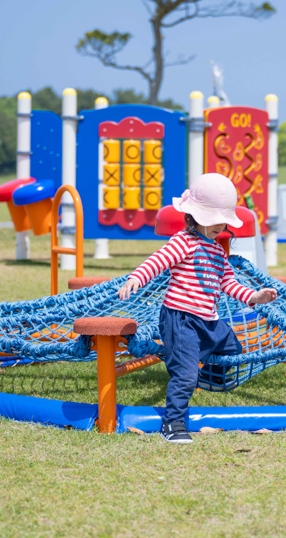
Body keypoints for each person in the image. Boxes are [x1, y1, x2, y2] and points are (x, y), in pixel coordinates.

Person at [118, 173, 277, 444]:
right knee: (184, 374)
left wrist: (255, 297)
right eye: (214, 219)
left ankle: (201, 375)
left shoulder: (216, 250)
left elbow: (228, 282)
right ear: (195, 217)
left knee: (232, 347)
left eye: (224, 220)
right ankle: (173, 423)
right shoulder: (184, 242)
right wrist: (136, 277)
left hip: (209, 320)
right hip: (181, 319)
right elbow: (158, 260)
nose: (221, 225)